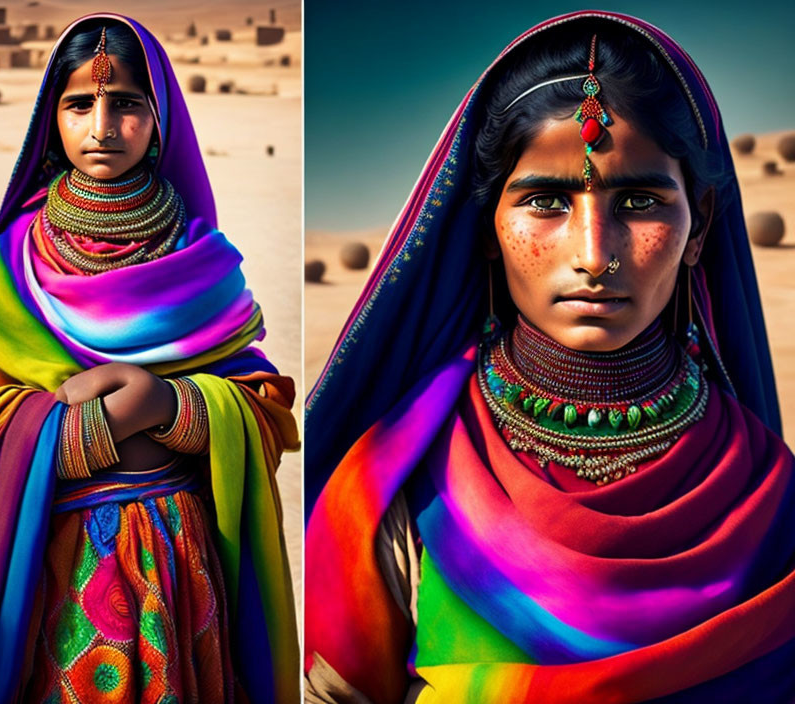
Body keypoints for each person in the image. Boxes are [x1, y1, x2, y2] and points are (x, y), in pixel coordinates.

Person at [305, 10, 795, 703]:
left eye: (639, 200)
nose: (594, 255)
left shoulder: (770, 496)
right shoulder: (391, 486)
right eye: (545, 200)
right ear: (488, 228)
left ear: (700, 226)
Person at [0, 14, 299, 704]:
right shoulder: (8, 271)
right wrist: (82, 434)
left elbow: (265, 407)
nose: (102, 125)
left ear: (159, 122)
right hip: (51, 559)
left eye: (126, 103)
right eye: (79, 103)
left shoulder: (199, 262)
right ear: (50, 118)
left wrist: (169, 405)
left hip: (180, 561)